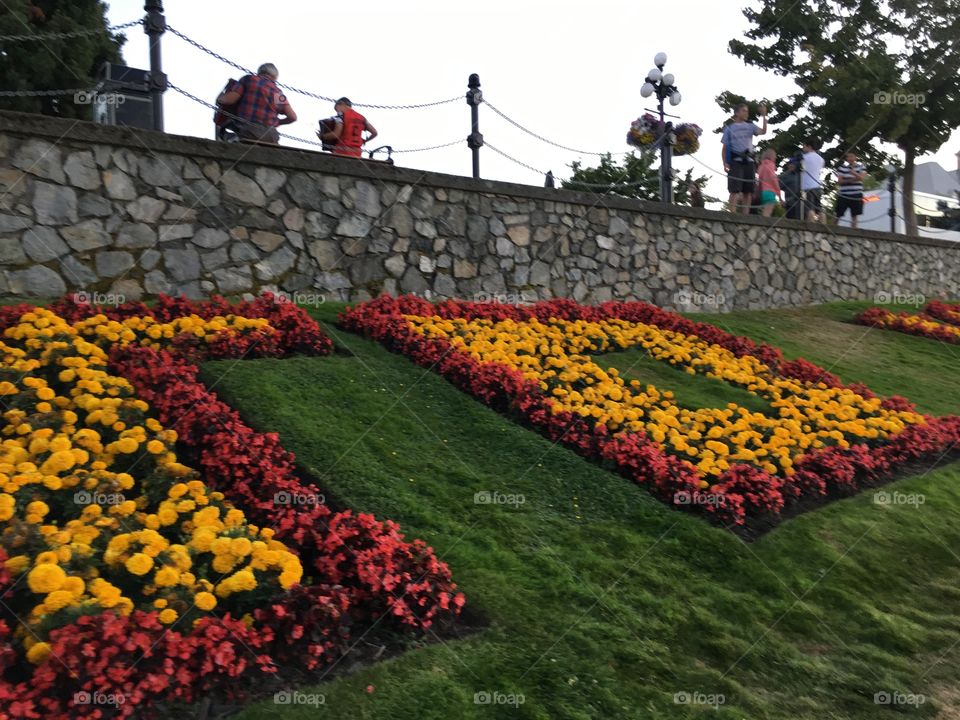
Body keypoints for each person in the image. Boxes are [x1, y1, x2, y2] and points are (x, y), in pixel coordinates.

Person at [215, 63, 297, 145]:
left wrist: (220, 98)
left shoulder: (248, 80)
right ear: (275, 77)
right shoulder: (278, 92)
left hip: (247, 131)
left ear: (259, 72)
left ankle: (227, 140)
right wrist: (277, 122)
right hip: (271, 135)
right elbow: (292, 117)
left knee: (221, 123)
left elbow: (229, 100)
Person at [721, 102, 768, 214]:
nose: (746, 113)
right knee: (734, 190)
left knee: (748, 191)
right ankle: (732, 213)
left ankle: (745, 215)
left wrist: (764, 116)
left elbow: (763, 131)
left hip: (749, 161)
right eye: (744, 110)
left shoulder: (750, 126)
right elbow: (724, 148)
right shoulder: (729, 129)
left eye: (747, 111)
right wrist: (725, 163)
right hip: (736, 161)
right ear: (737, 113)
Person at [835, 151, 867, 228]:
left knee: (855, 215)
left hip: (856, 194)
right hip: (844, 194)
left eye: (851, 156)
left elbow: (862, 178)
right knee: (838, 214)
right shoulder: (842, 168)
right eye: (848, 157)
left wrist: (853, 173)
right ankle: (833, 228)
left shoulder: (861, 166)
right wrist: (853, 179)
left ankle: (854, 230)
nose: (850, 158)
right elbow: (840, 182)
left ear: (855, 157)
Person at [801, 139, 825, 222]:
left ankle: (810, 229)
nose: (803, 148)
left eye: (804, 146)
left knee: (809, 209)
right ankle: (824, 227)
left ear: (809, 146)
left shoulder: (804, 157)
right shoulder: (821, 159)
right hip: (817, 186)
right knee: (819, 209)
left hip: (807, 186)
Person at [757, 148, 781, 217]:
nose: (776, 157)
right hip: (770, 192)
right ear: (771, 156)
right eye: (775, 155)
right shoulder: (771, 165)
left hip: (762, 192)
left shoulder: (761, 166)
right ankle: (764, 227)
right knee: (767, 213)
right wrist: (779, 194)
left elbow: (759, 178)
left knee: (764, 212)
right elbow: (774, 180)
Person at [779, 156, 803, 220]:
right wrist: (781, 200)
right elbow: (777, 187)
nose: (791, 165)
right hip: (790, 203)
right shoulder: (784, 176)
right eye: (790, 164)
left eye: (794, 164)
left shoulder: (801, 175)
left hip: (801, 204)